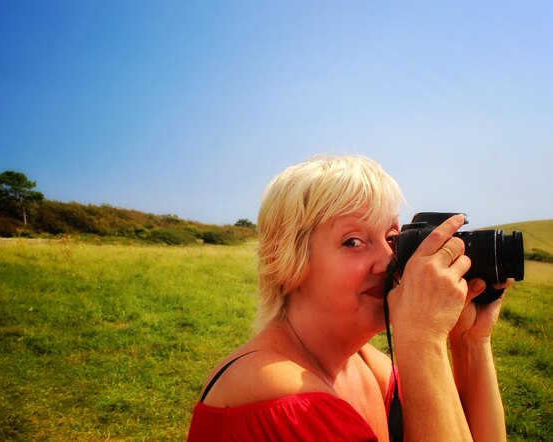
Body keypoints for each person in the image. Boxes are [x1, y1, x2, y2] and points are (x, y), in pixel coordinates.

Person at [187, 155, 507, 441]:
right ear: (286, 260)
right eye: (353, 241)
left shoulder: (365, 364)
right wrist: (422, 340)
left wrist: (470, 341)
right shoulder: (282, 399)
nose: (387, 262)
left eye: (392, 238)